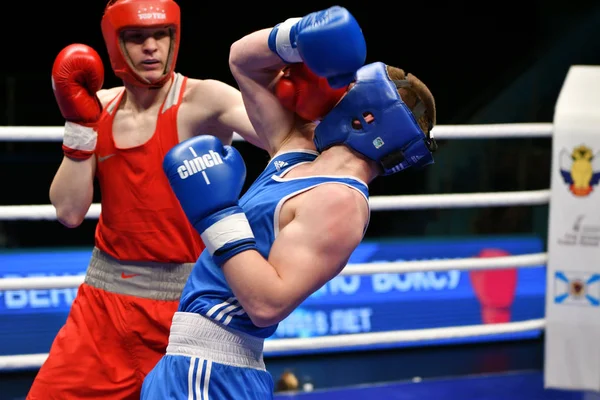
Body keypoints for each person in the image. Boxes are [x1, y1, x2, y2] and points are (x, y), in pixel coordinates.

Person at [141, 5, 437, 399]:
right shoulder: (295, 149)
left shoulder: (342, 203)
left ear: (368, 117)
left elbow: (267, 304)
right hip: (189, 364)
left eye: (349, 87)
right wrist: (297, 36)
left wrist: (216, 214)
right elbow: (243, 61)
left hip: (213, 374)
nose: (337, 88)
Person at [27, 0, 264, 399]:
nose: (151, 47)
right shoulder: (97, 107)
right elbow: (68, 212)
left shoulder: (204, 100)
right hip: (102, 310)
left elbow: (282, 140)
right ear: (114, 45)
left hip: (187, 312)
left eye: (161, 35)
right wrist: (80, 127)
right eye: (136, 38)